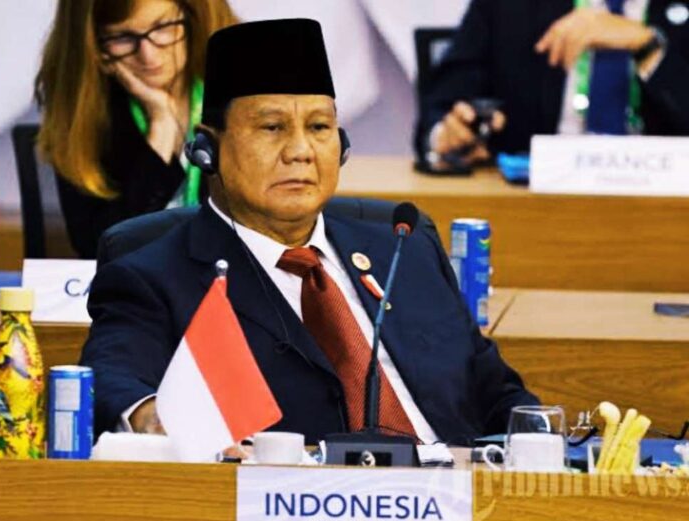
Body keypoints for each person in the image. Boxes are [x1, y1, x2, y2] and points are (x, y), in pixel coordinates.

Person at [81, 18, 539, 447]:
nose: (300, 151)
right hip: (294, 496)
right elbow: (113, 380)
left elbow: (494, 390)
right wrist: (160, 424)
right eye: (272, 128)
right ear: (208, 148)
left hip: (458, 490)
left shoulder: (404, 246)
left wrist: (540, 439)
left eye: (319, 127)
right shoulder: (153, 275)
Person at [35, 0, 237, 259]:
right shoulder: (86, 115)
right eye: (122, 37)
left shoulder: (239, 96)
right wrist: (161, 125)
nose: (148, 56)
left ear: (192, 18)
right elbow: (98, 247)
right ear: (94, 46)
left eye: (162, 27)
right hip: (138, 280)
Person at [415, 0, 689, 166]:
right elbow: (441, 106)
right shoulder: (506, 6)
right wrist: (450, 135)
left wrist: (650, 48)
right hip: (533, 205)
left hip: (664, 210)